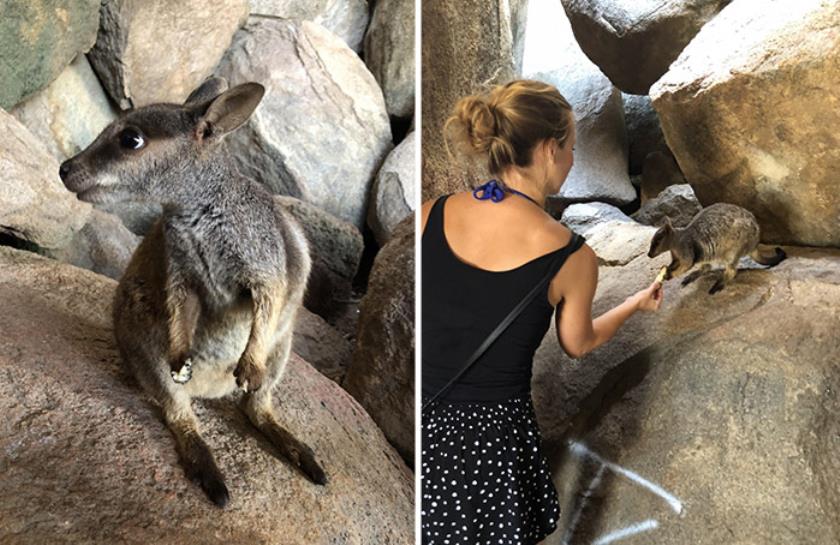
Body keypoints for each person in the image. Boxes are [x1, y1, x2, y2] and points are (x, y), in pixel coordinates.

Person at [420, 79, 664, 545]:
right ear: (550, 149)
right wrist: (634, 305)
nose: (571, 160)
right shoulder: (570, 255)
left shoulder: (430, 214)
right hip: (495, 442)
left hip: (427, 423)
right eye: (571, 148)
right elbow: (579, 343)